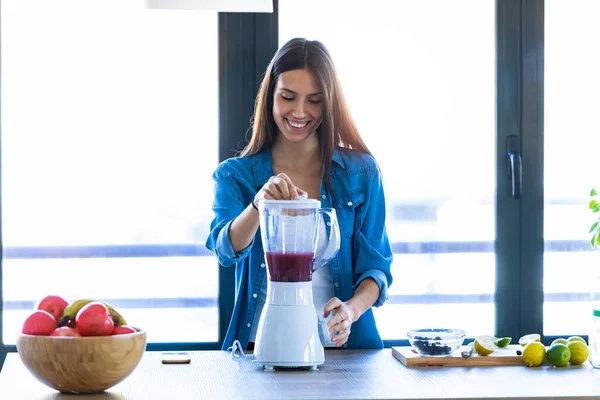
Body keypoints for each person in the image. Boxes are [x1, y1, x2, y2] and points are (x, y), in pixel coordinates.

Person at [205, 37, 393, 351]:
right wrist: (258, 204)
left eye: (315, 100)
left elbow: (377, 269)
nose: (300, 111)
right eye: (288, 97)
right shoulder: (234, 175)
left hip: (345, 351)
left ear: (329, 103)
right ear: (270, 98)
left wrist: (351, 310)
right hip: (260, 348)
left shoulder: (362, 174)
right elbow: (225, 249)